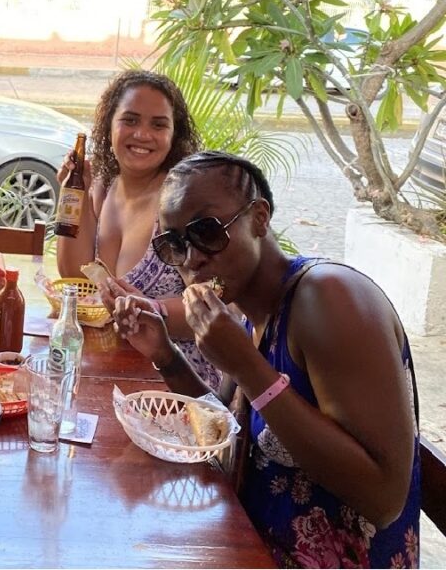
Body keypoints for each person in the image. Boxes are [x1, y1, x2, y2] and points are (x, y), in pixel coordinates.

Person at [113, 151, 421, 568]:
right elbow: (224, 429)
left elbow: (384, 499)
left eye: (206, 231)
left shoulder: (330, 298)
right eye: (174, 244)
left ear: (259, 218)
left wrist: (247, 368)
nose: (191, 258)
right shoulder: (249, 313)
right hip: (247, 545)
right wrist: (166, 355)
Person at [55, 70, 219, 387]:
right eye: (130, 120)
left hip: (179, 379)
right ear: (109, 126)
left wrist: (150, 310)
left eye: (158, 125)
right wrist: (75, 192)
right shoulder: (103, 185)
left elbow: (216, 302)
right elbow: (77, 276)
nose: (142, 134)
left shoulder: (184, 202)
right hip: (110, 365)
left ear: (174, 135)